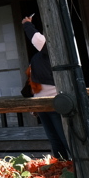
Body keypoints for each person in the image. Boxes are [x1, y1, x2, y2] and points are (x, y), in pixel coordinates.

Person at [22, 15, 71, 160]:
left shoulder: (56, 50)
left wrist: (27, 24)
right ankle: (61, 165)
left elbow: (37, 39)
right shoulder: (37, 57)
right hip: (41, 104)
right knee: (55, 139)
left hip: (55, 102)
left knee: (64, 137)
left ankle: (74, 165)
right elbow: (32, 82)